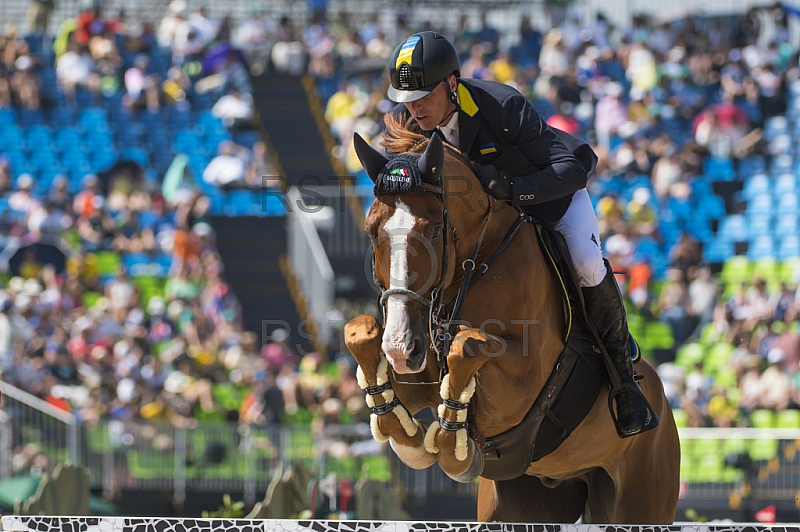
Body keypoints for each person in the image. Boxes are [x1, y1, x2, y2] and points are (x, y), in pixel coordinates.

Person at [385, 31, 652, 436]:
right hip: (488, 223)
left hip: (552, 199)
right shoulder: (413, 122)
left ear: (452, 84)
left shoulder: (501, 105)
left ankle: (624, 380)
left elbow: (571, 170)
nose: (414, 108)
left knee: (584, 262)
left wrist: (511, 188)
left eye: (423, 96)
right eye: (407, 99)